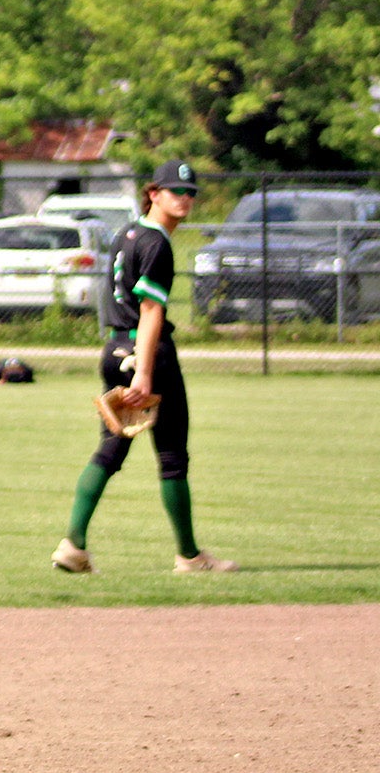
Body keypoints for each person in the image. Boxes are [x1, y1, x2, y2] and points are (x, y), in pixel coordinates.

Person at [55, 159, 237, 576]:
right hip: (146, 352)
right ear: (153, 193)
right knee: (172, 455)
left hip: (115, 346)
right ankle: (190, 556)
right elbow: (151, 310)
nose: (185, 198)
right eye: (176, 191)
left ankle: (73, 544)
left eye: (191, 192)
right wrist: (145, 370)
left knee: (112, 448)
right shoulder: (156, 242)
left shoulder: (126, 234)